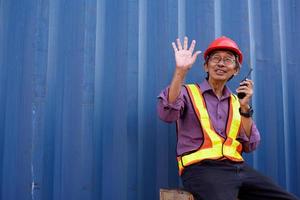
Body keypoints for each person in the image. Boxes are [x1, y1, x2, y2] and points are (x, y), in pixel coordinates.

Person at [157, 36, 299, 200]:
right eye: (216, 58)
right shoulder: (187, 92)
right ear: (206, 66)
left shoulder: (235, 102)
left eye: (228, 60)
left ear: (236, 70)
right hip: (200, 169)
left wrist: (245, 107)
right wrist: (180, 71)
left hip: (238, 169)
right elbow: (166, 113)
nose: (221, 63)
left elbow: (250, 144)